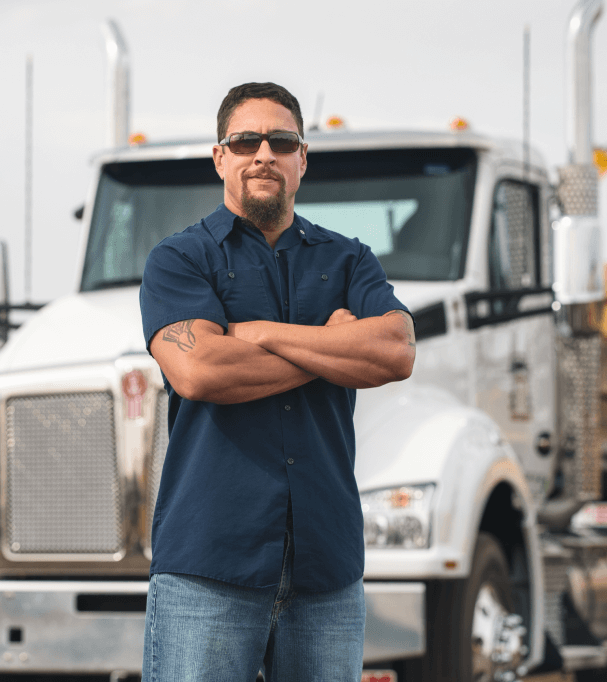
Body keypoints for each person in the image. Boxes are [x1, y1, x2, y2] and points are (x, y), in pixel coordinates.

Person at [138, 82, 416, 682]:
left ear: (302, 159)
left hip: (327, 570)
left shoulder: (349, 260)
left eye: (281, 141)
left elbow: (394, 351)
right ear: (221, 157)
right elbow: (200, 369)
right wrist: (333, 342)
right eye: (245, 141)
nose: (264, 153)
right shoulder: (180, 260)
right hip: (208, 567)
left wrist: (258, 331)